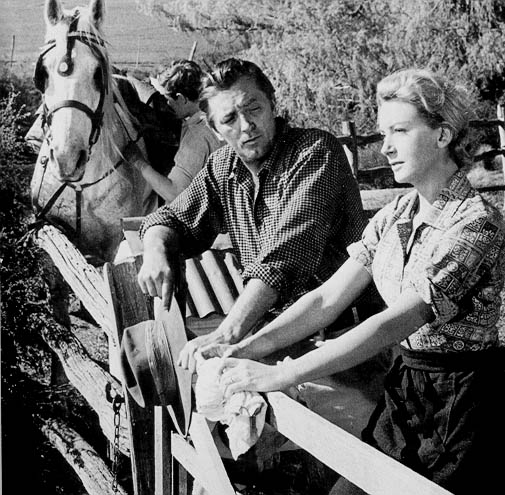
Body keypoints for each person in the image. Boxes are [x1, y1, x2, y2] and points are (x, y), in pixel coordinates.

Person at [210, 68, 505, 495]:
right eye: (383, 132)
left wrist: (282, 375)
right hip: (405, 390)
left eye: (400, 131)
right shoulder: (395, 215)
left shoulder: (477, 224)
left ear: (442, 135)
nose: (385, 146)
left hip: (462, 408)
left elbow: (394, 322)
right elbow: (328, 297)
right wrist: (247, 348)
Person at [137, 58, 388, 438]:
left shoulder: (315, 152)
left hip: (346, 345)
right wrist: (155, 244)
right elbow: (173, 219)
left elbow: (282, 259)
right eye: (229, 119)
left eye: (253, 108)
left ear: (273, 104)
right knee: (219, 436)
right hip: (271, 341)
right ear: (214, 127)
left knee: (348, 459)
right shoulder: (224, 167)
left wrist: (227, 334)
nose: (246, 126)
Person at [131, 59, 223, 204]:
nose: (167, 104)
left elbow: (175, 194)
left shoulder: (197, 135)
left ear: (181, 98)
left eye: (168, 99)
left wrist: (138, 162)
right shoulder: (216, 118)